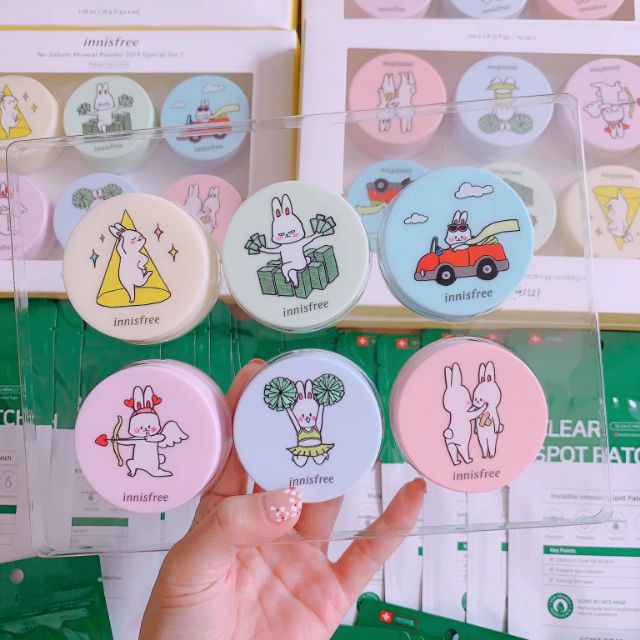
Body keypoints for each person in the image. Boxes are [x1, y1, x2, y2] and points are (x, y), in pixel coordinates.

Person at [140, 359, 426, 640]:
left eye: (309, 416)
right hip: (300, 456)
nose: (306, 419)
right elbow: (291, 414)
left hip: (314, 453)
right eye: (302, 416)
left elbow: (320, 412)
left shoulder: (319, 416)